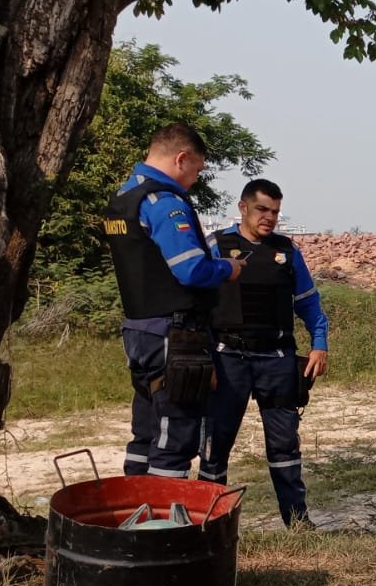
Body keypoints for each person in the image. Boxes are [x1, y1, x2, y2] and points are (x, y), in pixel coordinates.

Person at [105, 123, 245, 479]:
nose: (195, 179)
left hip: (139, 330)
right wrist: (227, 268)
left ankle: (134, 516)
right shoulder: (164, 202)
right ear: (181, 159)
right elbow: (191, 270)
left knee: (145, 432)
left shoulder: (122, 197)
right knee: (176, 436)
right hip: (174, 334)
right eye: (197, 170)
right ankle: (165, 528)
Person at [199, 180, 329, 531]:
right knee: (216, 444)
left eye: (275, 211)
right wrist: (202, 357)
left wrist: (320, 343)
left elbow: (310, 303)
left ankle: (297, 522)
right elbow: (194, 304)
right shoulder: (217, 246)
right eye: (262, 210)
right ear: (243, 207)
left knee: (285, 444)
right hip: (228, 358)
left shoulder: (286, 251)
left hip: (276, 358)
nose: (269, 218)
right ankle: (210, 525)